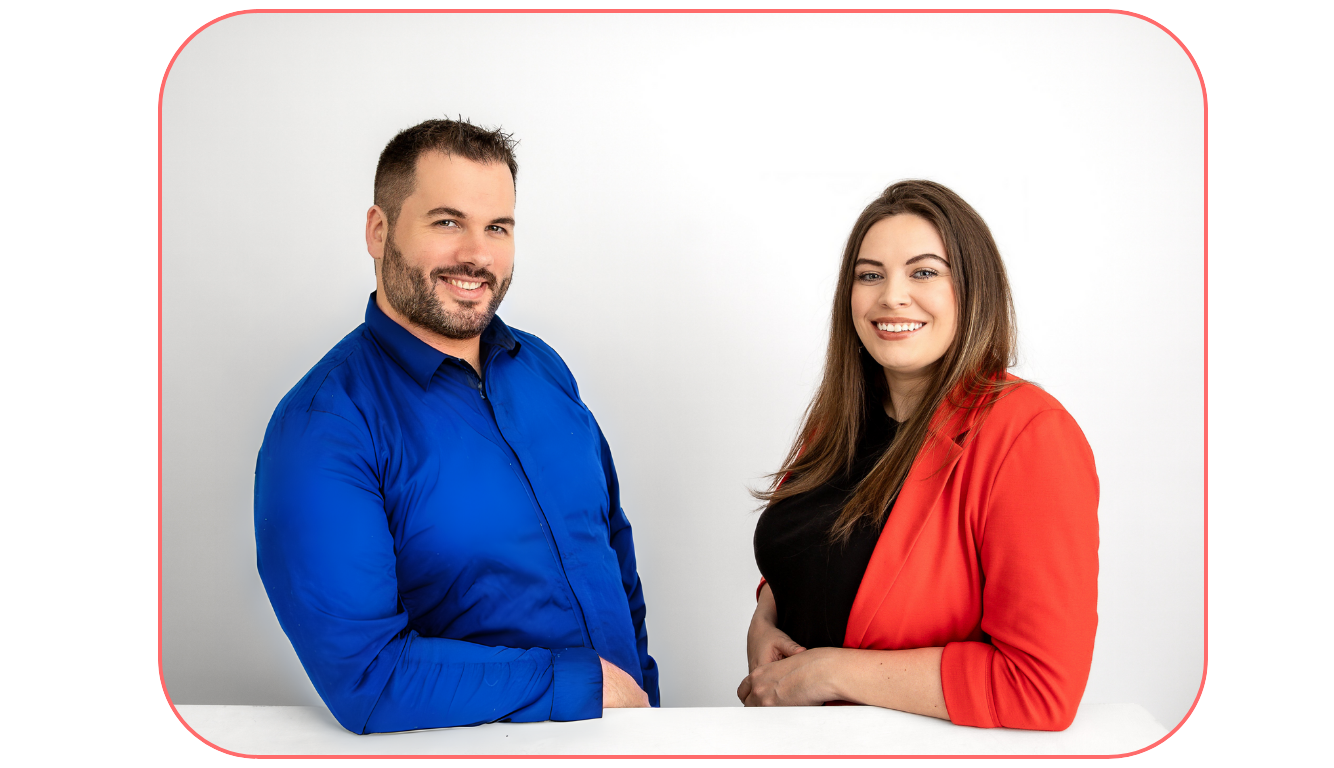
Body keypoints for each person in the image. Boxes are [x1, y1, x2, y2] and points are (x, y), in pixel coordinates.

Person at [254, 118, 658, 735]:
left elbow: (612, 552)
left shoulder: (542, 367)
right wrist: (589, 685)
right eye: (448, 222)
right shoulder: (323, 427)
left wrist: (644, 702)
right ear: (379, 231)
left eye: (497, 227)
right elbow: (369, 677)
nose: (476, 254)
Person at [738, 180, 1099, 731]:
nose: (891, 296)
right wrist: (766, 616)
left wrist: (832, 673)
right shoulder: (838, 419)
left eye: (924, 271)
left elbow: (1039, 687)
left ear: (973, 289)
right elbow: (823, 543)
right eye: (870, 274)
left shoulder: (1029, 435)